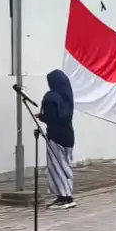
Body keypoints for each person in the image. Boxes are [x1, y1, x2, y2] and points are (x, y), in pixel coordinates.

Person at [38, 69, 76, 208]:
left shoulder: (51, 97)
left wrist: (41, 117)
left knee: (56, 167)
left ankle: (64, 198)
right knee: (66, 165)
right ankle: (68, 195)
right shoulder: (67, 95)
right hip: (68, 135)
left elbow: (51, 118)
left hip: (55, 136)